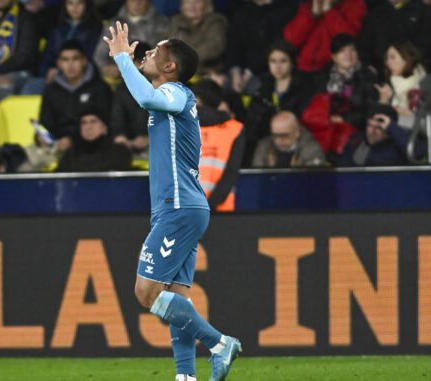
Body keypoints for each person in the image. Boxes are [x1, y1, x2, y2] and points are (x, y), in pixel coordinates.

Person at [104, 22, 242, 381]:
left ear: (170, 67)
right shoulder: (171, 98)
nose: (146, 53)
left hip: (179, 207)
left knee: (146, 293)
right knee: (176, 296)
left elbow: (147, 97)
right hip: (184, 208)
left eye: (156, 51)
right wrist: (127, 63)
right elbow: (147, 97)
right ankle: (185, 377)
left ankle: (219, 343)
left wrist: (122, 59)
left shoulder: (177, 93)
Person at [243, 40, 313, 166]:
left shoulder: (305, 88)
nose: (278, 66)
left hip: (297, 144)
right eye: (273, 61)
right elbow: (252, 125)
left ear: (292, 63)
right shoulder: (261, 90)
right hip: (266, 146)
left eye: (283, 61)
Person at [375, 41, 431, 155]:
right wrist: (383, 100)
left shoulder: (428, 82)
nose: (388, 62)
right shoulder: (389, 87)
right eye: (387, 58)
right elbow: (379, 123)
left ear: (406, 58)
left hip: (426, 137)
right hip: (397, 137)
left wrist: (412, 116)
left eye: (392, 57)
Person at [40, 40, 112, 144]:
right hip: (58, 144)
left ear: (84, 61)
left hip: (92, 144)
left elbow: (106, 124)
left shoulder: (100, 88)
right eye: (65, 60)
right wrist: (41, 137)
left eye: (75, 59)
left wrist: (72, 140)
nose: (70, 65)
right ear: (59, 64)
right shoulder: (51, 90)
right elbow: (45, 123)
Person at [192, 79, 245, 212]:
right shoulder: (235, 129)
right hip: (221, 211)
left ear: (197, 99)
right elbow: (232, 171)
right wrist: (211, 205)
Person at [225, 0, 298, 93]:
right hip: (239, 72)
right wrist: (235, 72)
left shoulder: (284, 11)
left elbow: (275, 48)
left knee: (255, 87)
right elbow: (233, 45)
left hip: (267, 71)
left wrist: (248, 74)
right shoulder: (242, 11)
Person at [283, 0, 367, 72]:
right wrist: (313, 13)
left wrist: (329, 11)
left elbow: (346, 38)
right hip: (302, 70)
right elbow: (290, 41)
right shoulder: (308, 6)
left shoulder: (354, 5)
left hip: (332, 72)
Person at [93, 0, 168, 80]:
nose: (136, 4)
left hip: (150, 79)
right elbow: (99, 57)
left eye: (141, 1)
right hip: (117, 79)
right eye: (132, 0)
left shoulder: (162, 24)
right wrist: (114, 68)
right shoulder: (114, 24)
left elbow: (165, 56)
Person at [357, 0, 431, 73]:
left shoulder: (424, 12)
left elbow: (427, 46)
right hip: (380, 73)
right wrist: (368, 66)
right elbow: (364, 46)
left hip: (413, 72)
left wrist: (409, 63)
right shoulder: (375, 13)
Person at [339, 104, 427, 165]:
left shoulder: (399, 143)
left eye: (379, 128)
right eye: (370, 125)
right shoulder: (356, 142)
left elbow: (418, 154)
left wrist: (393, 128)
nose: (373, 131)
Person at [39, 0, 103, 81]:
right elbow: (46, 58)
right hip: (52, 78)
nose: (75, 8)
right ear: (65, 6)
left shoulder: (95, 30)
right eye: (70, 3)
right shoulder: (57, 30)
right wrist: (46, 72)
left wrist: (61, 72)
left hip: (83, 78)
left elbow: (91, 59)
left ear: (87, 5)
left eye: (79, 3)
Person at [161, 0, 228, 75]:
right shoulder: (176, 21)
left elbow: (213, 47)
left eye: (197, 2)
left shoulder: (215, 22)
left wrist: (180, 58)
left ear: (206, 5)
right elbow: (160, 44)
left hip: (205, 72)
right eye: (187, 2)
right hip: (173, 71)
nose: (192, 6)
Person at [56, 109, 133, 172]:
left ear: (104, 127)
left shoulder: (119, 151)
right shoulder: (71, 154)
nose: (88, 127)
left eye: (93, 121)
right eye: (84, 123)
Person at [111, 41, 150, 160]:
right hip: (128, 147)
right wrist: (121, 138)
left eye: (137, 62)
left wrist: (150, 139)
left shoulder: (165, 86)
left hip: (158, 145)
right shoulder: (122, 89)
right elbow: (116, 120)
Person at [252, 111, 326, 167]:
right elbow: (256, 181)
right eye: (274, 135)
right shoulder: (263, 147)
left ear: (297, 132)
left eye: (284, 135)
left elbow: (313, 181)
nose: (278, 140)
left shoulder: (312, 150)